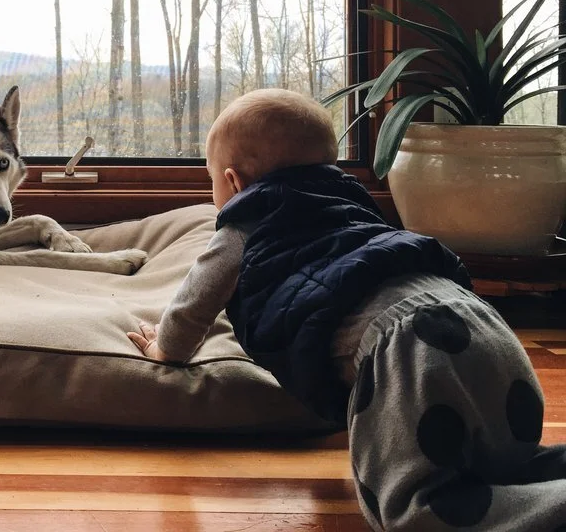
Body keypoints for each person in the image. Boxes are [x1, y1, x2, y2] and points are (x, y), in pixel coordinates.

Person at [127, 88, 566, 532]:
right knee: (508, 465)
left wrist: (167, 348)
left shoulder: (248, 220)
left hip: (410, 350)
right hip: (486, 328)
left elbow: (195, 302)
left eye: (213, 183)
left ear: (234, 182)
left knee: (418, 513)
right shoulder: (354, 208)